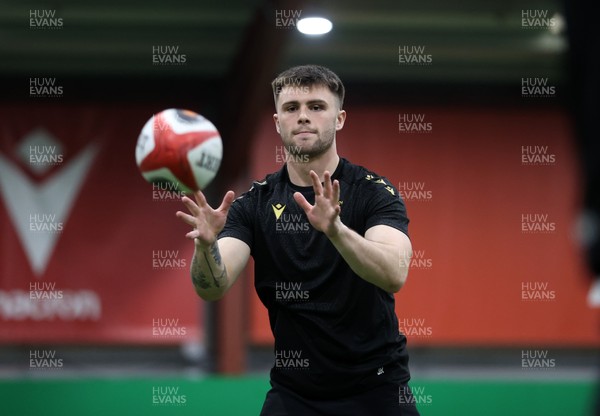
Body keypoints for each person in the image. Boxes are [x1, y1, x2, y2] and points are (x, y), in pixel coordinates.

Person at [176, 64, 420, 415]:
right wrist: (205, 247)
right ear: (277, 123)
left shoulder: (374, 193)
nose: (303, 117)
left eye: (316, 107)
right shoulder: (252, 205)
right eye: (292, 108)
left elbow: (393, 273)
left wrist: (335, 231)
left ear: (339, 119)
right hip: (295, 395)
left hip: (377, 388)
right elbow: (211, 287)